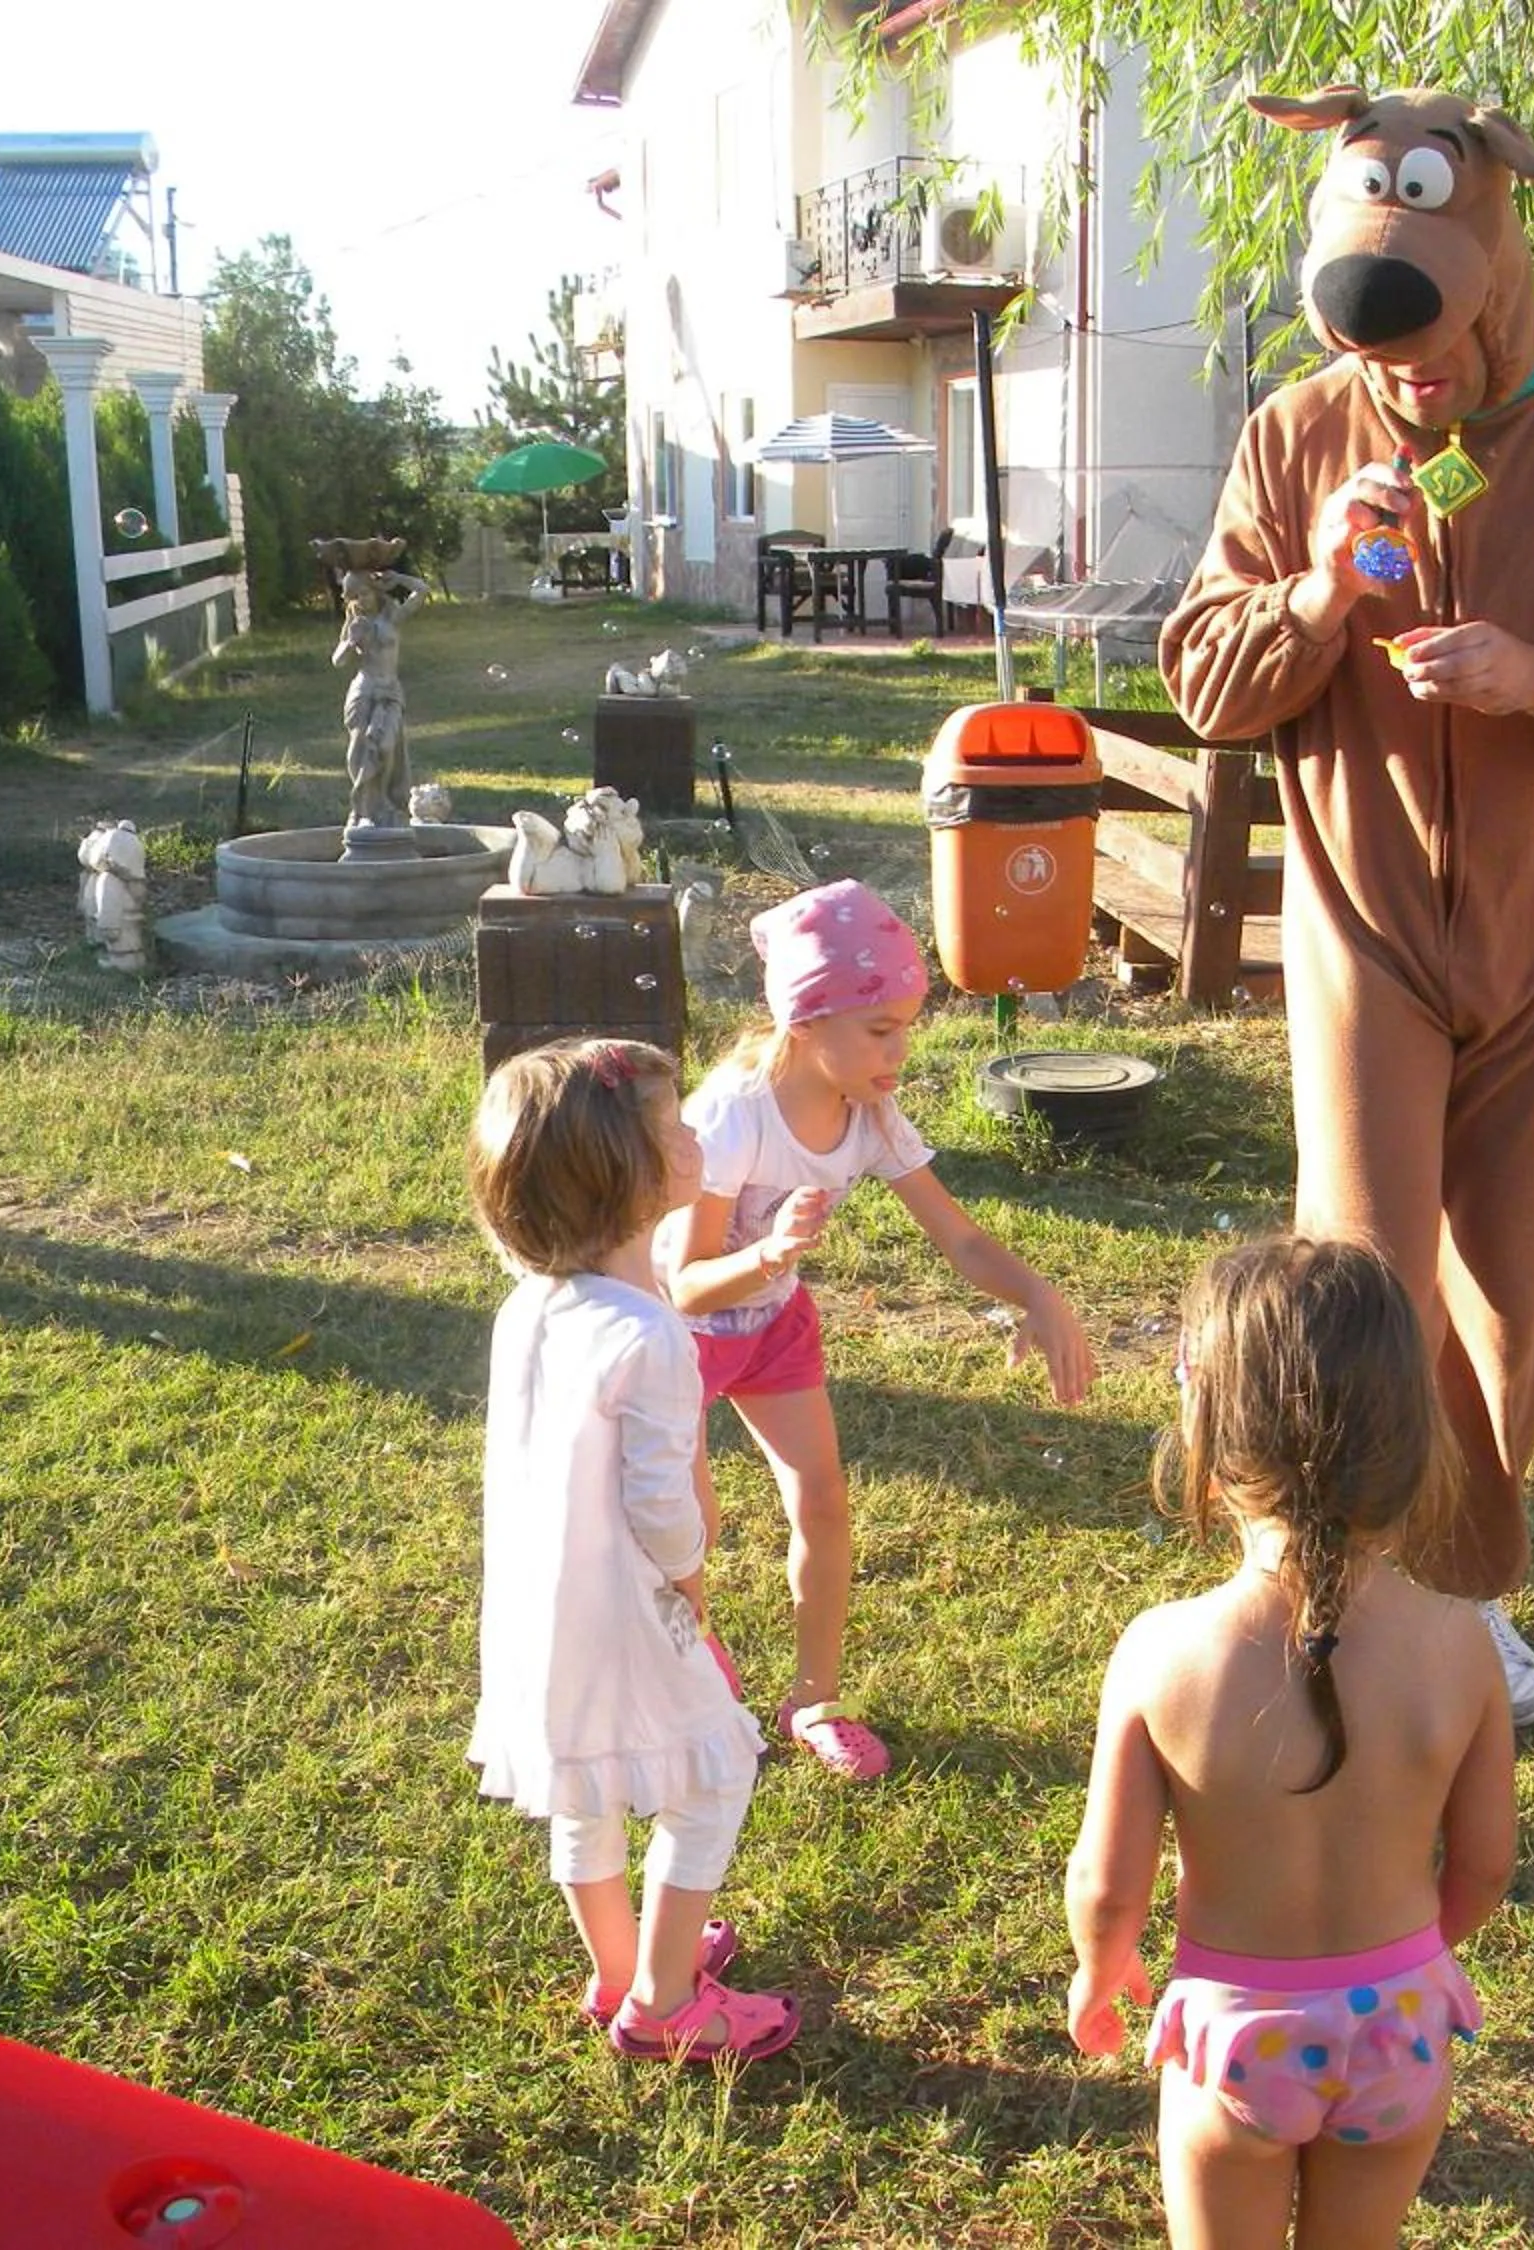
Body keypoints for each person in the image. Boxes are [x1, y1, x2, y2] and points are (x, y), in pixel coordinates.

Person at [1162, 86, 1534, 1725]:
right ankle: (1346, 1575)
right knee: (1362, 1272)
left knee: (1508, 1283)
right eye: (1378, 351)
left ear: (1496, 262)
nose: (1402, 383)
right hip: (1362, 936)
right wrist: (1305, 596)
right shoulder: (1297, 437)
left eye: (1427, 345)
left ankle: (1468, 1591)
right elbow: (1208, 677)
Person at [1065, 1234, 1518, 2249]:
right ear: (1412, 1435)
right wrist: (1416, 1955)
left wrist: (1099, 1972)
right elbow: (1486, 1865)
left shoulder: (1161, 1653)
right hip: (1399, 2024)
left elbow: (1105, 1884)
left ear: (1205, 1428)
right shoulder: (1462, 1647)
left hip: (1236, 2033)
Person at [663, 879, 1094, 1781]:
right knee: (687, 1524)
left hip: (774, 1325)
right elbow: (688, 1287)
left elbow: (960, 1235)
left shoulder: (870, 1113)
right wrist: (772, 1254)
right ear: (808, 1023)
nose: (904, 1049)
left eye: (909, 1023)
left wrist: (1039, 1295)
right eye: (882, 1029)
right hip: (678, 1336)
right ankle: (690, 1700)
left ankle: (811, 1698)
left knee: (821, 1501)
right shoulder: (731, 1117)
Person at [465, 1037, 798, 2061]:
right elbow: (660, 1503)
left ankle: (619, 1963)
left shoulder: (531, 1308)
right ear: (638, 1177)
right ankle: (663, 2004)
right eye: (674, 1127)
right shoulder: (649, 1335)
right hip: (625, 1606)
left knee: (586, 1783)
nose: (696, 1131)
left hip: (539, 1607)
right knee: (716, 1777)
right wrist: (692, 1583)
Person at [326, 554, 429, 836]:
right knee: (360, 747)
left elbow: (422, 591)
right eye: (355, 596)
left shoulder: (392, 616)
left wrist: (398, 579)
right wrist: (350, 642)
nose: (361, 600)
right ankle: (363, 810)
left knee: (385, 747)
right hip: (364, 690)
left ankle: (383, 802)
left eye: (365, 593)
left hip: (390, 690)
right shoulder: (356, 623)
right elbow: (338, 661)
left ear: (375, 591)